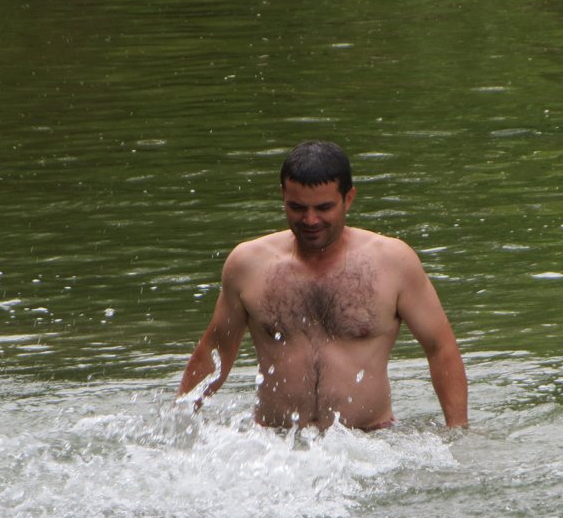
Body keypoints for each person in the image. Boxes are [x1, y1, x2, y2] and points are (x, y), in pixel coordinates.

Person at [177, 140, 468, 430]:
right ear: (283, 196)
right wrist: (180, 423)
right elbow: (216, 349)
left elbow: (440, 347)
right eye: (297, 207)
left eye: (324, 207)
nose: (310, 220)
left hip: (370, 441)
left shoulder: (393, 263)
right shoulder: (247, 264)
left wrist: (458, 431)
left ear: (348, 198)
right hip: (273, 442)